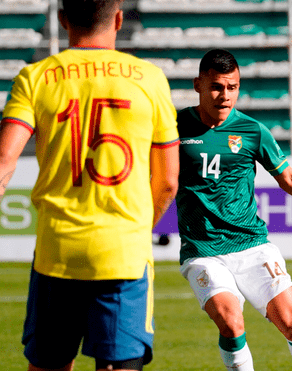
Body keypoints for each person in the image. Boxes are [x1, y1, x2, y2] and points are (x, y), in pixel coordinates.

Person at [0, 0, 180, 370]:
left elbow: (4, 162)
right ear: (118, 19)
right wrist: (136, 228)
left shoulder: (35, 77)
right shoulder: (149, 78)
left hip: (56, 251)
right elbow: (167, 182)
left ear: (63, 19)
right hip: (124, 254)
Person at [176, 49, 292, 371]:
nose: (225, 95)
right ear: (198, 84)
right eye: (217, 87)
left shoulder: (252, 131)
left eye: (232, 87)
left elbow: (288, 179)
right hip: (202, 249)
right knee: (231, 323)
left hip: (252, 244)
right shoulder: (172, 126)